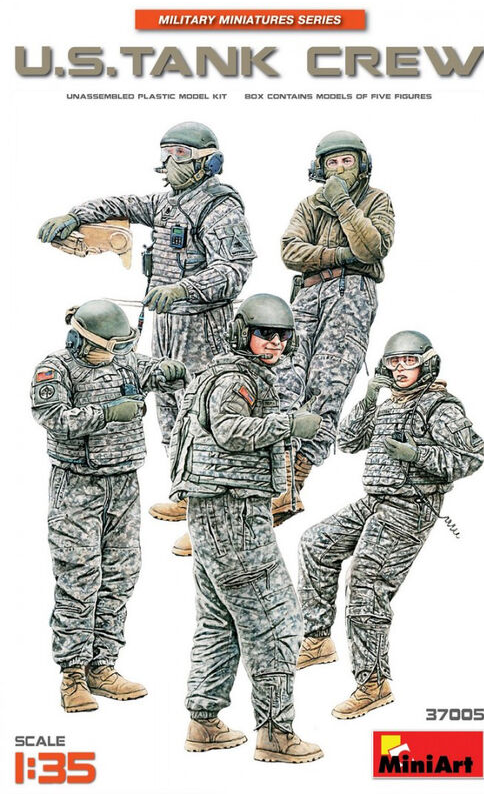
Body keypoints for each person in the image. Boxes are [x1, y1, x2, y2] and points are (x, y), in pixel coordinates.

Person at [37, 121, 256, 548]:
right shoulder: (167, 203)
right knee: (171, 413)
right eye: (166, 152)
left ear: (207, 161)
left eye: (180, 154)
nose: (169, 162)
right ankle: (189, 497)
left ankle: (215, 519)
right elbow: (121, 203)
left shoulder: (219, 206)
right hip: (167, 322)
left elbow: (234, 269)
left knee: (206, 418)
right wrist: (76, 215)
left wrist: (183, 289)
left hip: (204, 324)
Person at [296, 330, 484, 719]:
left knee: (366, 582)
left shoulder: (439, 406)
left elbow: (471, 456)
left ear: (426, 364)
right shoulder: (388, 404)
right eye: (394, 362)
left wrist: (418, 454)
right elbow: (349, 442)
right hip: (375, 500)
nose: (400, 369)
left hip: (409, 507)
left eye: (408, 361)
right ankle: (316, 639)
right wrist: (368, 399)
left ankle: (373, 683)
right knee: (315, 543)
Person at [170, 294, 324, 762]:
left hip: (213, 513)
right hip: (235, 513)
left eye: (282, 336)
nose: (275, 343)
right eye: (264, 333)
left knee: (219, 620)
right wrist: (288, 424)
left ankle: (204, 721)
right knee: (277, 619)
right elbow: (230, 431)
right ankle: (276, 733)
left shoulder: (225, 374)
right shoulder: (237, 380)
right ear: (243, 334)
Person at [31, 300, 187, 712]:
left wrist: (171, 370)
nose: (117, 354)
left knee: (120, 574)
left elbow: (152, 371)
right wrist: (106, 413)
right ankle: (73, 674)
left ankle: (102, 666)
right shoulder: (55, 369)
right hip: (77, 485)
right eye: (110, 347)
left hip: (124, 484)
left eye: (123, 346)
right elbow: (54, 418)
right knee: (78, 576)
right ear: (84, 340)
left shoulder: (124, 360)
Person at [274, 130, 395, 525]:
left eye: (347, 161)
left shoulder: (377, 200)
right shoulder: (309, 205)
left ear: (362, 164)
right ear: (320, 168)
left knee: (328, 384)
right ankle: (275, 475)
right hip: (306, 295)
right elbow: (290, 251)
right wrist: (341, 253)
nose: (339, 168)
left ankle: (294, 481)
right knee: (283, 377)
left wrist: (342, 203)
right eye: (332, 163)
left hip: (351, 295)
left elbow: (371, 248)